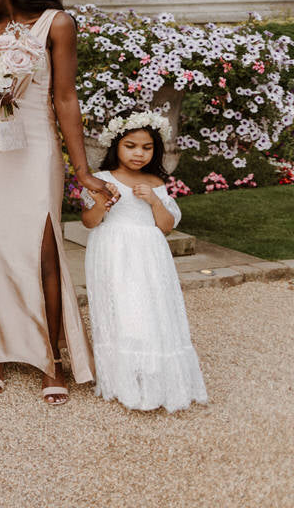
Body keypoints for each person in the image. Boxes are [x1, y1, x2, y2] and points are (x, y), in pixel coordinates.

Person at [0, 0, 111, 404]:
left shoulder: (55, 24)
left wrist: (81, 170)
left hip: (36, 145)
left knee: (45, 248)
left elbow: (65, 97)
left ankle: (51, 356)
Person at [82, 110, 207, 412]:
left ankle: (155, 376)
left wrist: (153, 200)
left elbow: (165, 226)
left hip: (148, 255)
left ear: (156, 149)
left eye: (147, 148)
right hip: (113, 250)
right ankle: (125, 378)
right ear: (116, 145)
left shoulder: (156, 182)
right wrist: (105, 202)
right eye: (131, 146)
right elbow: (89, 221)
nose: (139, 153)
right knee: (122, 308)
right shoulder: (101, 179)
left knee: (150, 308)